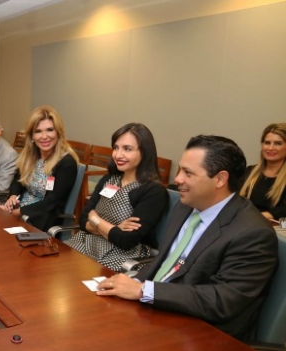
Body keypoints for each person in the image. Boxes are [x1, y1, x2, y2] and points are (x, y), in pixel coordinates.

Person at [96, 135, 278, 340]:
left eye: (188, 173)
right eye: (180, 170)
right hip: (157, 311)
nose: (177, 179)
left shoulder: (252, 233)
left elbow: (222, 300)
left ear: (220, 179)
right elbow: (165, 263)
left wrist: (143, 290)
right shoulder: (185, 206)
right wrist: (132, 282)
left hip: (203, 335)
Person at [66, 123, 168, 271]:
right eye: (116, 147)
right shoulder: (109, 179)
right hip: (85, 243)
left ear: (144, 152)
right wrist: (115, 229)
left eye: (127, 149)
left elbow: (126, 241)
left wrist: (95, 219)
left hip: (122, 256)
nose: (118, 155)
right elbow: (82, 220)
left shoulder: (154, 191)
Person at [0, 105, 79, 231]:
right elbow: (18, 180)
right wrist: (13, 196)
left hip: (40, 220)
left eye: (50, 130)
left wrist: (19, 212)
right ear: (32, 136)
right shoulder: (31, 155)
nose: (44, 136)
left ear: (58, 133)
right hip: (19, 212)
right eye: (38, 131)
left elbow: (52, 202)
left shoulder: (67, 163)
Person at [239, 123, 286, 221]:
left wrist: (260, 217)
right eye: (267, 143)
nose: (270, 148)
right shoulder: (249, 172)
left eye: (278, 143)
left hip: (272, 228)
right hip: (244, 224)